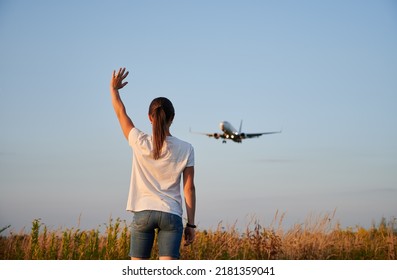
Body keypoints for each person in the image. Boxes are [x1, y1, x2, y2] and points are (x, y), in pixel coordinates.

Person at [110, 67, 196, 260]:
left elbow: (120, 112)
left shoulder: (138, 141)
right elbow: (189, 189)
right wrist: (191, 225)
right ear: (172, 119)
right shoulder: (187, 148)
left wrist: (114, 90)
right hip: (171, 214)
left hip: (143, 212)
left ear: (150, 118)